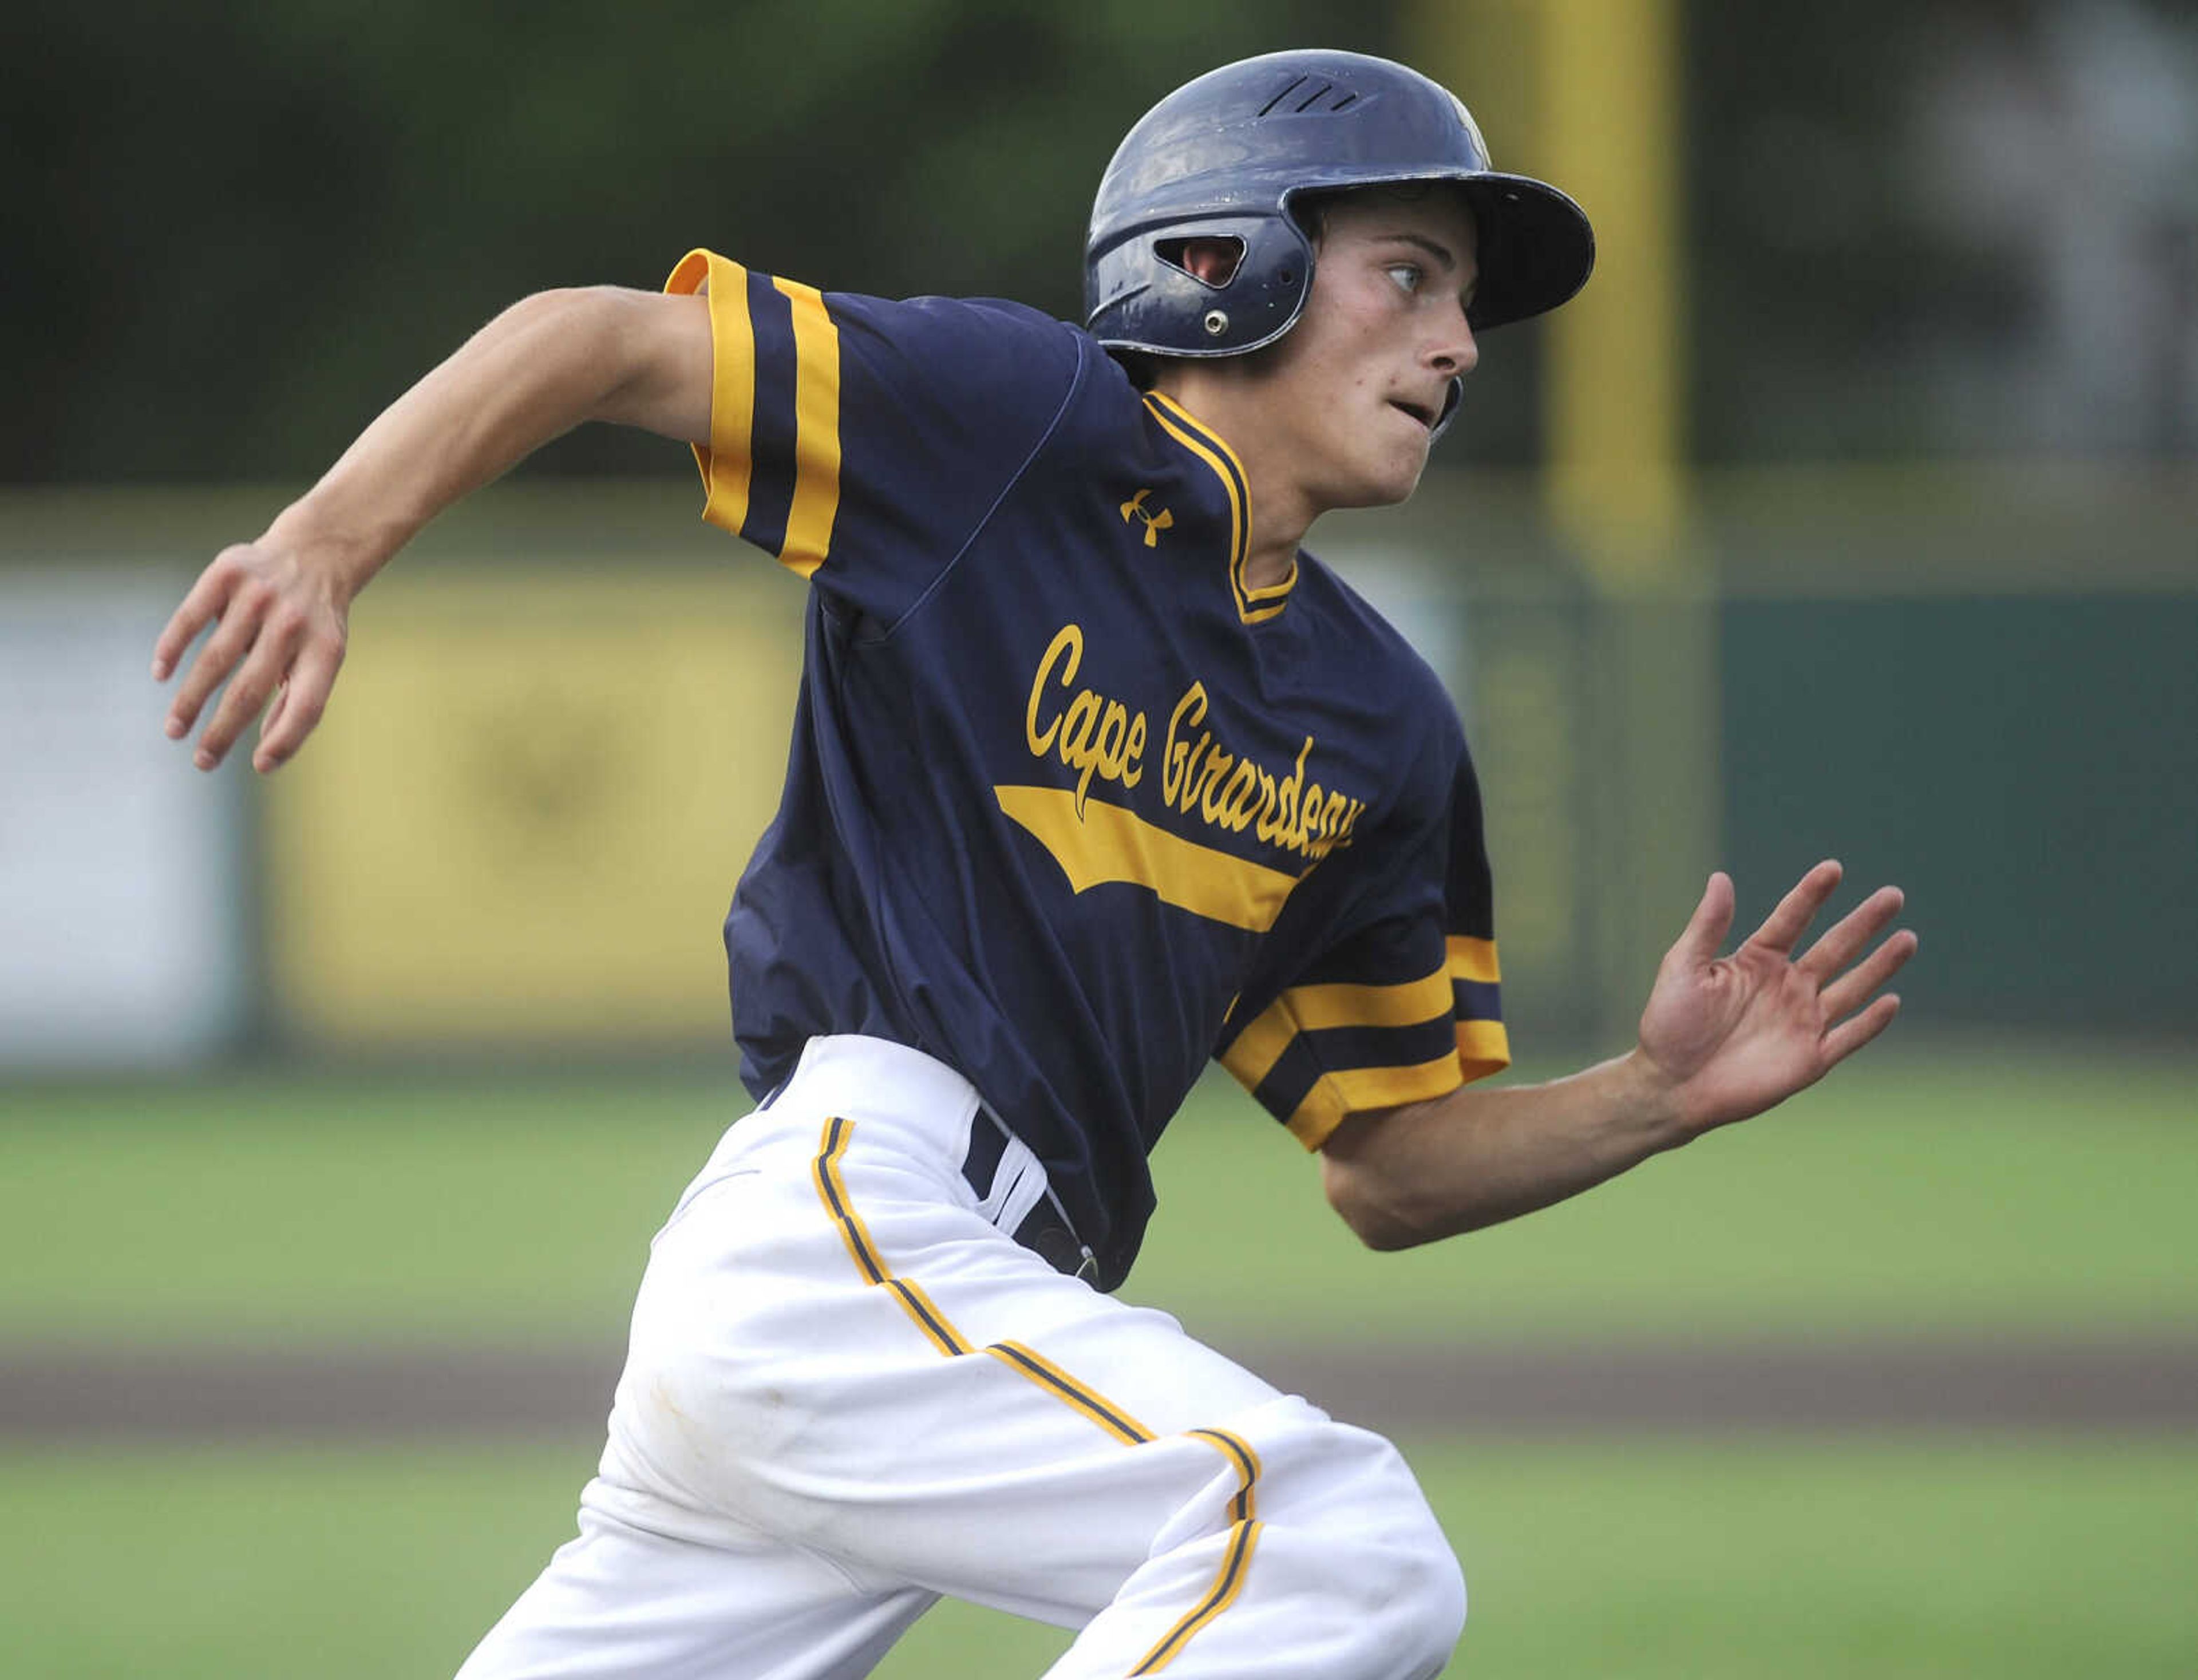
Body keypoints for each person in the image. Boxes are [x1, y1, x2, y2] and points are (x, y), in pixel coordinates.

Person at [153, 49, 1914, 1680]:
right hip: (851, 1224)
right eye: (1411, 272)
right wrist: (327, 541)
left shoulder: (1381, 724)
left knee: (1303, 1541)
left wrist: (1653, 1097)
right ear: (1227, 261)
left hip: (937, 1314)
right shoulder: (1018, 430)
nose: (1459, 342)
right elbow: (601, 337)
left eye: (1464, 300)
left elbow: (1389, 1165)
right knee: (1326, 1536)